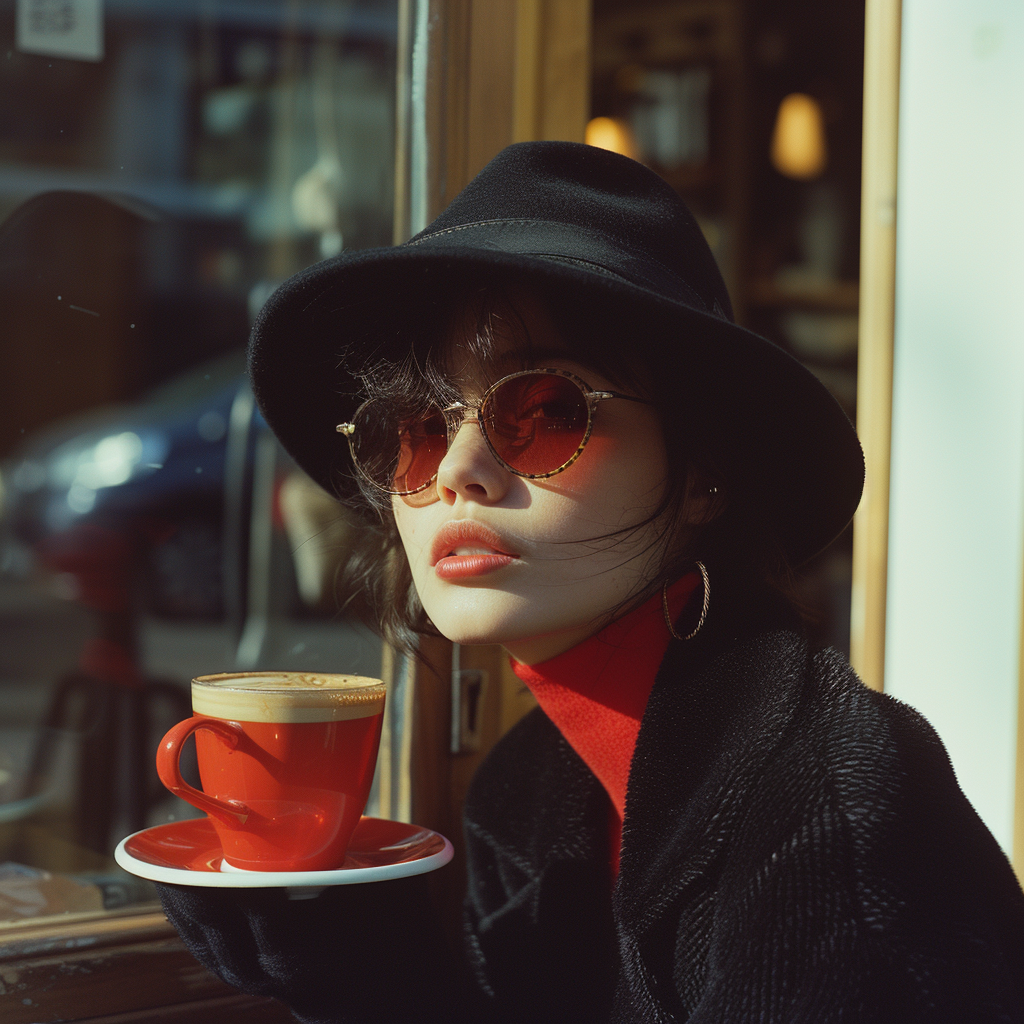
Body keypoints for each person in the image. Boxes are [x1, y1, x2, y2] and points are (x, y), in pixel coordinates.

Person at [157, 142, 1024, 1023]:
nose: (459, 470)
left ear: (702, 473)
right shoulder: (524, 790)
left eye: (541, 411)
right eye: (412, 429)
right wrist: (355, 967)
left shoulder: (834, 815)